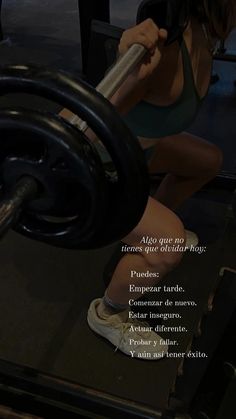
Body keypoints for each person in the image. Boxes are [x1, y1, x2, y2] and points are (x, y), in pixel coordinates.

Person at [85, 0, 236, 360]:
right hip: (100, 171)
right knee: (168, 244)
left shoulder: (201, 33)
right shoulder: (165, 53)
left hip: (137, 151)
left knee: (207, 161)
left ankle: (145, 232)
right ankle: (109, 312)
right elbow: (84, 121)